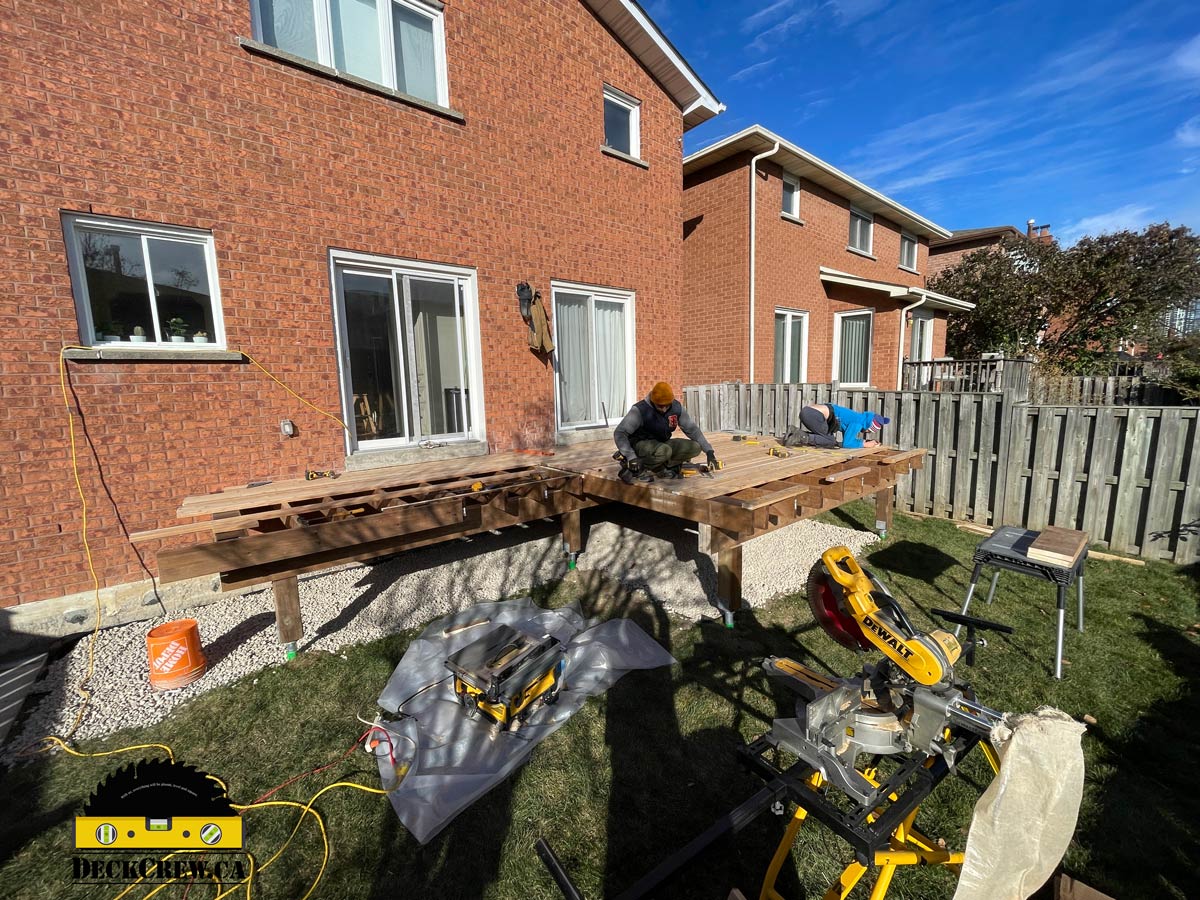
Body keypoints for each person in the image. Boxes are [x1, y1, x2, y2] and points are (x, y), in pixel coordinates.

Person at [614, 382, 719, 483]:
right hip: (640, 444)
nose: (664, 409)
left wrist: (709, 452)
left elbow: (692, 430)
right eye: (660, 406)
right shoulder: (640, 410)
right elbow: (620, 433)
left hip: (661, 444)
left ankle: (660, 467)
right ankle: (634, 467)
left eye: (667, 405)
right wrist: (631, 456)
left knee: (695, 447)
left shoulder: (676, 408)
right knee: (664, 451)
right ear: (653, 401)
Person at [786, 403, 889, 449]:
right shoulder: (857, 423)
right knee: (830, 440)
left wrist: (862, 442)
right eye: (870, 431)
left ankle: (794, 432)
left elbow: (847, 439)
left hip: (808, 411)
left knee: (827, 437)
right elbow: (847, 444)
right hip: (813, 414)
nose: (867, 433)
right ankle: (800, 437)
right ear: (869, 427)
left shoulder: (856, 417)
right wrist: (865, 444)